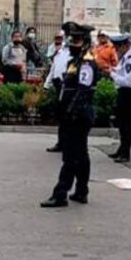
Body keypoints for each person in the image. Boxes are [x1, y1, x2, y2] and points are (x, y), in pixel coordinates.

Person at [41, 22, 100, 208]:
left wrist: (71, 111)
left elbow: (84, 90)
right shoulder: (76, 61)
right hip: (73, 114)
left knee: (71, 156)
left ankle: (60, 194)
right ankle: (81, 191)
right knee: (80, 155)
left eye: (76, 40)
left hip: (78, 116)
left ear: (85, 42)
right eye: (71, 39)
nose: (72, 43)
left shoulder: (87, 62)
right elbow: (71, 86)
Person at [106, 33, 131, 163]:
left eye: (117, 47)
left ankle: (125, 153)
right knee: (121, 124)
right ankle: (121, 150)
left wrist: (111, 74)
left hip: (129, 93)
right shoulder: (126, 56)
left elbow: (127, 80)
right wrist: (113, 70)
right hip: (124, 93)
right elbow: (120, 70)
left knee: (126, 125)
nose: (116, 50)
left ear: (124, 45)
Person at [43, 38, 71, 152]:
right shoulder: (58, 54)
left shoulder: (71, 55)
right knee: (61, 117)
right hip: (58, 86)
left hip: (67, 87)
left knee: (67, 117)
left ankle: (68, 143)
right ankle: (61, 143)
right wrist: (46, 84)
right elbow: (53, 70)